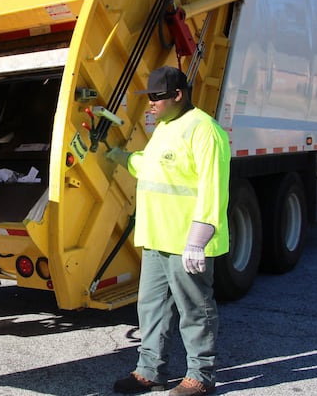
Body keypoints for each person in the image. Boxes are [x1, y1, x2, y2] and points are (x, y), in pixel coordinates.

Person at [107, 66, 230, 396]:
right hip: (156, 240)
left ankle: (200, 377)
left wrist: (198, 240)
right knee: (151, 308)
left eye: (157, 98)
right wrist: (119, 157)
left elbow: (213, 189)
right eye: (148, 98)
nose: (151, 104)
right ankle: (150, 371)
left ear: (178, 95)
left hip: (186, 242)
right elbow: (150, 167)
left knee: (195, 310)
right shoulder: (163, 128)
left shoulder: (205, 130)